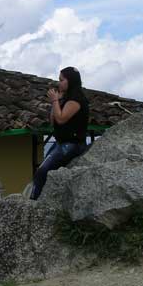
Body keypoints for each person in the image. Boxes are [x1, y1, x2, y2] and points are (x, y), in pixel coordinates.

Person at [31, 67, 90, 200]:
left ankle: (33, 202)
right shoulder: (67, 98)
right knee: (43, 170)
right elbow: (53, 121)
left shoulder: (76, 99)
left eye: (62, 80)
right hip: (61, 143)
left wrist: (55, 101)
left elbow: (61, 119)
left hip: (72, 144)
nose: (59, 83)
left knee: (41, 172)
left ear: (71, 81)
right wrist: (57, 102)